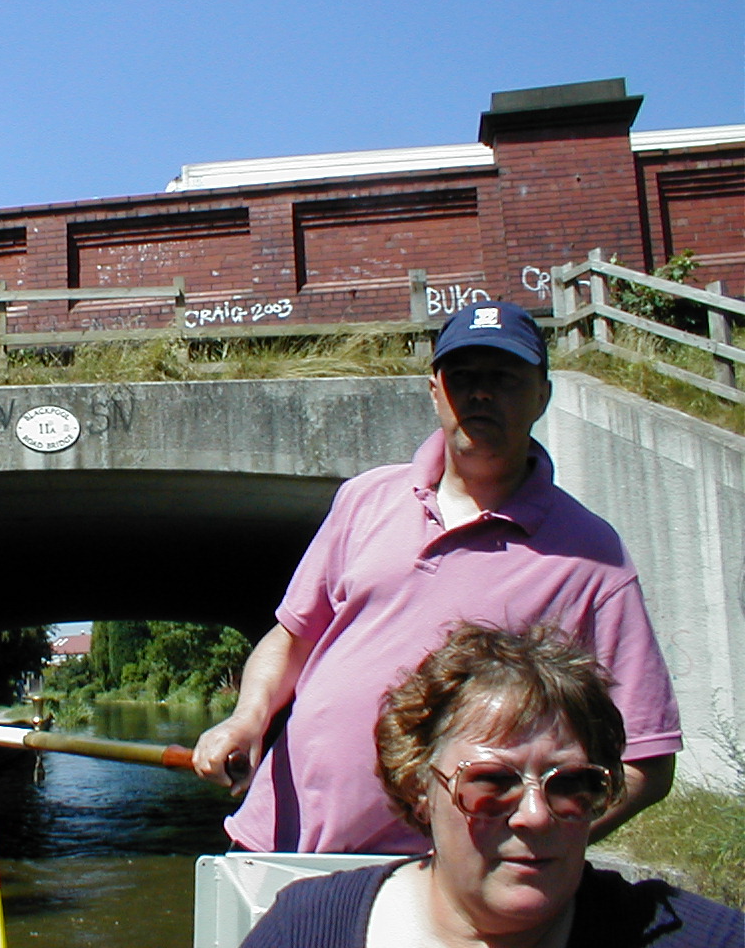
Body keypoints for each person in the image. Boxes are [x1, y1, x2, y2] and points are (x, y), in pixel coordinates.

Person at [193, 299, 680, 853]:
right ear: (434, 391)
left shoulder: (592, 555)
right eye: (462, 376)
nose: (479, 392)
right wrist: (247, 719)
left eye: (502, 376)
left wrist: (524, 851)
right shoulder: (365, 498)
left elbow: (648, 761)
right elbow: (293, 639)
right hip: (272, 839)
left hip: (429, 889)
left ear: (542, 395)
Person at [239, 623, 744, 948]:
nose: (535, 815)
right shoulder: (305, 930)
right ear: (419, 785)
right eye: (492, 783)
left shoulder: (696, 938)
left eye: (571, 785)